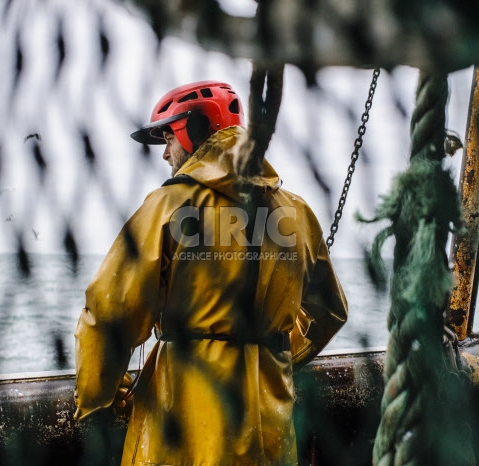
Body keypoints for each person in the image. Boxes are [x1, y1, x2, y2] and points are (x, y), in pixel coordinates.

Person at [73, 80, 348, 465]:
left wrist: (98, 398)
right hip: (270, 422)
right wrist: (269, 353)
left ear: (195, 130)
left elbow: (109, 314)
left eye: (169, 138)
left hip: (181, 422)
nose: (166, 153)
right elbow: (329, 312)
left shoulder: (169, 206)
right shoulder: (297, 213)